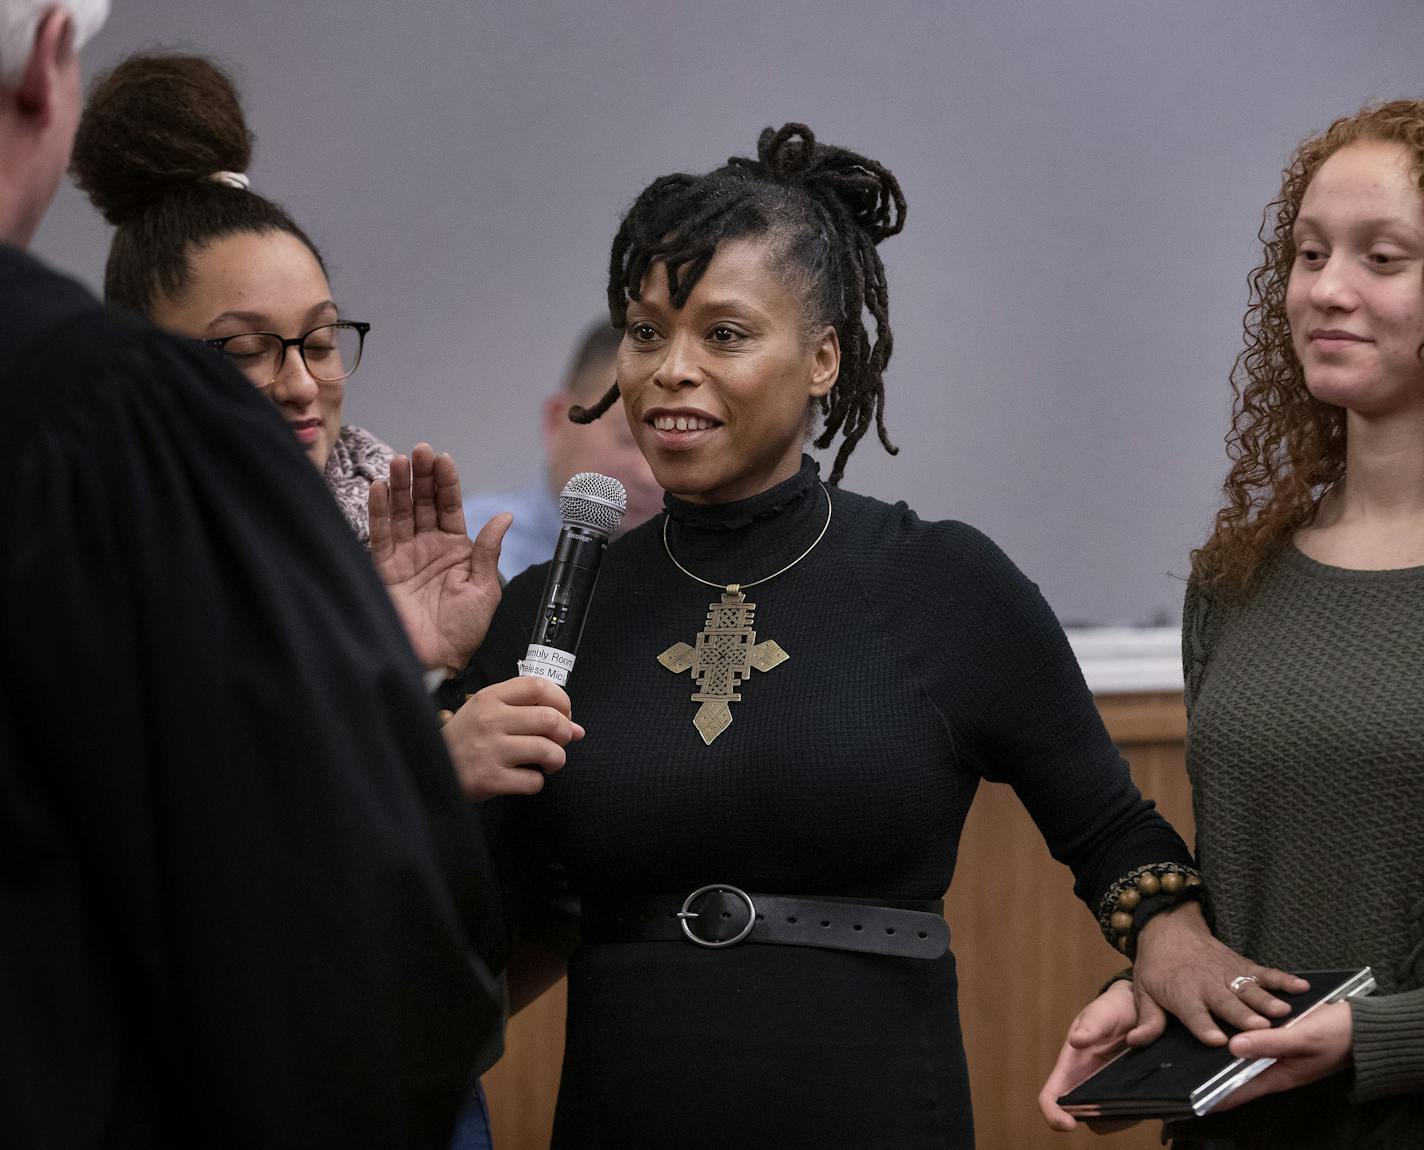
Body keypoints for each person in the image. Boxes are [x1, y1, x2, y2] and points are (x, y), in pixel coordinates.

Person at [462, 123, 1299, 1148]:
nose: (668, 370)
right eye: (644, 331)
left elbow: (1108, 831)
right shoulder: (551, 612)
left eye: (722, 334)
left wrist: (1170, 936)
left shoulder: (939, 581)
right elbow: (468, 923)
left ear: (823, 359)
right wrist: (429, 737)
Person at [0, 7, 506, 1147]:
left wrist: (393, 659)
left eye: (321, 339)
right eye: (242, 350)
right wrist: (411, 749)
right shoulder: (106, 470)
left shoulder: (374, 537)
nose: (298, 383)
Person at [1039, 102, 1424, 1149]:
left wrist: (1369, 1035)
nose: (1325, 288)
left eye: (1380, 257)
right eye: (1307, 253)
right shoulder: (1238, 578)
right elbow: (1251, 896)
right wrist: (1164, 991)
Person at [463, 321, 663, 581]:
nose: (647, 476)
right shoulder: (462, 549)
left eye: (671, 448)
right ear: (558, 419)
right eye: (628, 438)